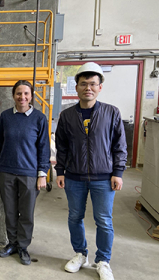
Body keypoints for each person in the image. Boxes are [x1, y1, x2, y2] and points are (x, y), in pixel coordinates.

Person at [55, 62, 127, 280]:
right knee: (74, 217)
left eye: (93, 84)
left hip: (103, 178)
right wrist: (60, 171)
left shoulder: (111, 113)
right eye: (84, 84)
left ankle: (103, 260)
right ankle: (80, 254)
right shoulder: (67, 116)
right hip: (74, 176)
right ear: (76, 87)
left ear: (100, 87)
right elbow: (62, 146)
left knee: (103, 220)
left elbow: (119, 146)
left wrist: (118, 172)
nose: (88, 88)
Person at [0, 80, 50, 265]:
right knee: (10, 211)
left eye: (26, 93)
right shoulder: (5, 117)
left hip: (29, 173)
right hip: (6, 171)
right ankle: (12, 243)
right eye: (19, 93)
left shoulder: (40, 119)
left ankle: (23, 246)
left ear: (31, 96)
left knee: (26, 213)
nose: (22, 97)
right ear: (13, 95)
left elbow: (43, 148)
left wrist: (42, 174)